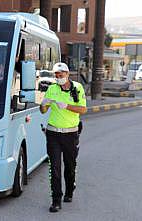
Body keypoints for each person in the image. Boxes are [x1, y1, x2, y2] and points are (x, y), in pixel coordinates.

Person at [39, 62, 87, 213]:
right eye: (56, 75)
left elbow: (83, 109)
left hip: (70, 134)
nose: (59, 78)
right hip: (53, 133)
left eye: (61, 75)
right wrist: (43, 104)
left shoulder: (77, 88)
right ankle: (56, 200)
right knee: (54, 168)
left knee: (70, 166)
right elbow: (43, 111)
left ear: (67, 74)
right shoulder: (52, 89)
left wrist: (66, 106)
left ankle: (69, 191)